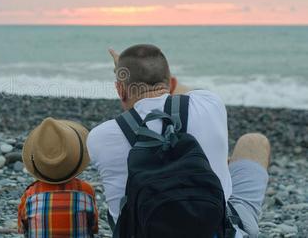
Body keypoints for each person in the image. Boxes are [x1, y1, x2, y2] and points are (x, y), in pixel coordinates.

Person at [87, 44, 270, 237]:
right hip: (216, 229)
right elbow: (179, 92)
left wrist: (121, 71)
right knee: (254, 141)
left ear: (119, 90)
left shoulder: (99, 137)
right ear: (171, 83)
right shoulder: (210, 104)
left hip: (141, 230)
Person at [18, 117, 99, 238]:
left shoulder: (30, 194)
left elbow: (22, 227)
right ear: (75, 158)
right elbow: (94, 226)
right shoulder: (86, 190)